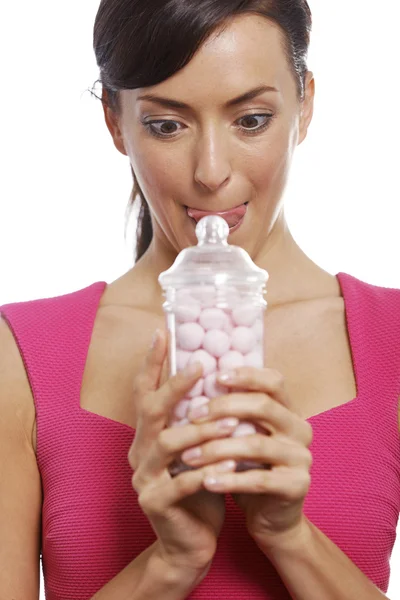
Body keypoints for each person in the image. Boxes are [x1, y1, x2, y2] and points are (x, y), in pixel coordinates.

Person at [1, 1, 399, 599]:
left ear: (305, 105)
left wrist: (290, 537)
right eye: (167, 125)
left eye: (252, 119)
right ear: (115, 121)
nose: (211, 172)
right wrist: (170, 562)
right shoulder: (22, 359)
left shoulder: (391, 339)